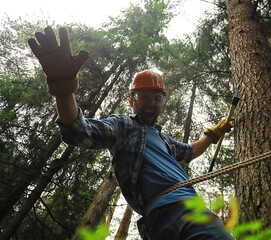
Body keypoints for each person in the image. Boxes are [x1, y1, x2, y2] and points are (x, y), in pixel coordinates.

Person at [28, 26, 234, 240]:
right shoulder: (122, 125)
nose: (151, 103)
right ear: (131, 99)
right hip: (168, 213)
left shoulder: (163, 139)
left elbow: (190, 151)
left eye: (157, 98)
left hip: (176, 212)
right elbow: (78, 131)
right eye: (143, 97)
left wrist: (213, 134)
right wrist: (63, 88)